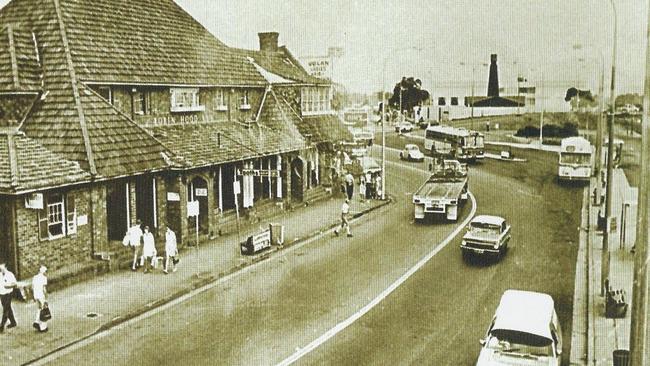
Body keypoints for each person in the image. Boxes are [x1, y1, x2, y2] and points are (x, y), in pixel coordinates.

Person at [0, 263, 17, 333]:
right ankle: (13, 322)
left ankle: (1, 326)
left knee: (5, 309)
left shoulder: (10, 274)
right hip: (2, 294)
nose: (1, 269)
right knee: (7, 307)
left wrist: (8, 286)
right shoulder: (0, 275)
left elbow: (15, 284)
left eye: (2, 268)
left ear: (6, 267)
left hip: (8, 293)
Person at [32, 266, 48, 332]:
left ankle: (36, 321)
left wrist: (33, 296)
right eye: (46, 271)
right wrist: (46, 296)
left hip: (36, 295)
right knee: (44, 310)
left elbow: (32, 287)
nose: (46, 273)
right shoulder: (44, 278)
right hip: (41, 295)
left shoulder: (35, 277)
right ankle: (43, 327)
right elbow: (44, 289)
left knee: (39, 308)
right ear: (44, 272)